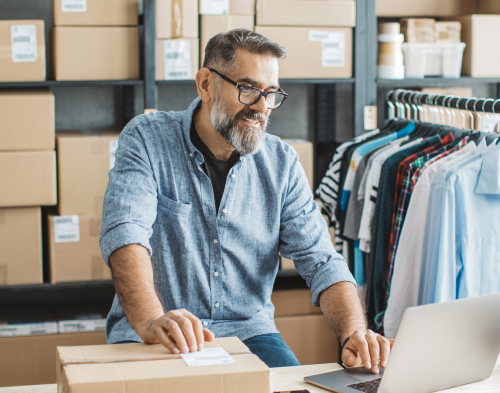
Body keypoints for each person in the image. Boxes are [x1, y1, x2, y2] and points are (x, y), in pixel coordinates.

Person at [100, 29, 392, 373]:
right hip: (159, 332)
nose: (261, 107)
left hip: (250, 335)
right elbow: (126, 235)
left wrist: (354, 332)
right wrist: (150, 319)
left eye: (271, 94)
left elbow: (322, 260)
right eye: (248, 89)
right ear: (205, 84)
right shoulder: (147, 139)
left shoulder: (281, 162)